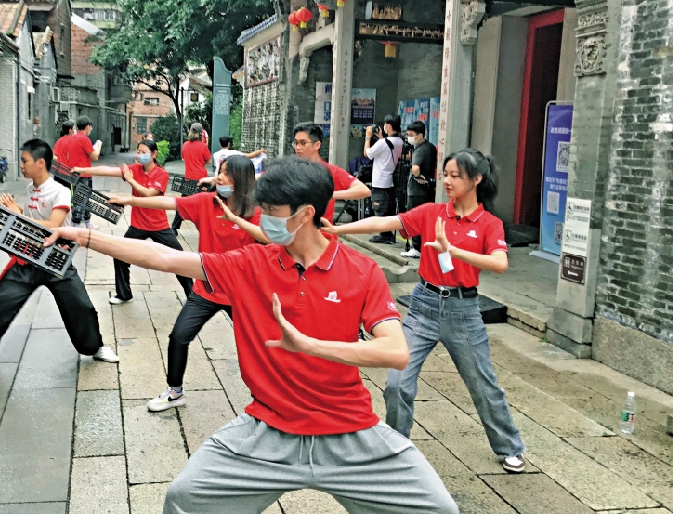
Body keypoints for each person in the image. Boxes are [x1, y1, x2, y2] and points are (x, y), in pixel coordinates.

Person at [42, 157, 458, 513]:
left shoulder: (361, 272)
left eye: (273, 211)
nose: (264, 219)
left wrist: (309, 346)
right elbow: (163, 255)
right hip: (268, 431)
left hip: (349, 432)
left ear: (305, 214)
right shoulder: (250, 263)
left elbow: (396, 351)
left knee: (438, 508)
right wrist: (86, 236)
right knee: (185, 497)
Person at [322, 148, 526, 475]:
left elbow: (500, 263)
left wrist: (453, 250)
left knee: (483, 385)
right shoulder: (432, 212)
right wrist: (337, 231)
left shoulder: (489, 223)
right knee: (397, 383)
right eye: (445, 174)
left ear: (476, 180)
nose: (446, 180)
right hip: (422, 306)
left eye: (455, 175)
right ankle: (397, 449)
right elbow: (387, 221)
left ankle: (510, 447)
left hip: (464, 312)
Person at [109, 155, 266, 412]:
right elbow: (169, 202)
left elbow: (269, 245)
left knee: (256, 347)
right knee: (179, 336)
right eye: (219, 171)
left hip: (240, 293)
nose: (219, 177)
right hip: (206, 289)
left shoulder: (257, 213)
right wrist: (128, 200)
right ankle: (174, 391)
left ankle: (266, 397)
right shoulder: (207, 202)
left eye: (226, 173)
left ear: (241, 179)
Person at [0, 139, 119, 369]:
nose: (21, 165)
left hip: (56, 260)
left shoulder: (59, 192)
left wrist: (17, 214)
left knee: (80, 305)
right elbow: (27, 223)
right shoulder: (31, 188)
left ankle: (95, 348)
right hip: (28, 257)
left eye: (25, 161)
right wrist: (3, 210)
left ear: (40, 163)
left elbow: (51, 226)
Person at [73, 139, 193, 305]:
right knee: (120, 255)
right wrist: (81, 169)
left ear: (154, 154)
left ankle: (193, 296)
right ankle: (124, 294)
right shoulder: (134, 169)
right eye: (138, 151)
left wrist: (131, 180)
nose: (139, 155)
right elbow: (108, 170)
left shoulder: (161, 174)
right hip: (138, 226)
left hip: (159, 226)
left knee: (180, 259)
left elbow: (148, 194)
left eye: (144, 152)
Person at [292, 122, 371, 223]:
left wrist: (330, 195)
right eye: (296, 143)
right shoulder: (289, 171)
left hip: (323, 234)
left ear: (317, 145)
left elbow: (364, 190)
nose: (297, 148)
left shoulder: (331, 171)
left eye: (303, 143)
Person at [59, 115, 103, 229]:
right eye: (90, 127)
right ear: (87, 126)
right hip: (84, 174)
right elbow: (95, 157)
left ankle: (88, 223)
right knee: (81, 200)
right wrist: (98, 145)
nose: (90, 129)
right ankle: (76, 225)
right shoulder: (84, 139)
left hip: (74, 173)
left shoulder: (72, 138)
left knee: (85, 199)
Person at [365, 114, 404, 243]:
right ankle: (388, 233)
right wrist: (382, 138)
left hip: (380, 180)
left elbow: (367, 153)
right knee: (389, 208)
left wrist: (368, 136)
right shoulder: (399, 141)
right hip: (390, 181)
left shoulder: (383, 143)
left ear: (388, 126)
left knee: (380, 207)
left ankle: (384, 235)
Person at [402, 121, 437, 259]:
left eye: (411, 135)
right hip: (427, 190)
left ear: (420, 135)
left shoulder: (421, 149)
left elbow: (415, 168)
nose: (409, 137)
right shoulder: (430, 147)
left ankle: (416, 247)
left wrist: (417, 176)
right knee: (425, 220)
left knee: (414, 219)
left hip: (417, 191)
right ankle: (422, 246)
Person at [172, 124, 213, 232]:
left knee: (182, 204)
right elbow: (209, 161)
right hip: (201, 179)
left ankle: (174, 227)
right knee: (204, 204)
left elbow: (184, 157)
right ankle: (206, 228)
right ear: (200, 134)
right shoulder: (203, 146)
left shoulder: (185, 145)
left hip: (188, 179)